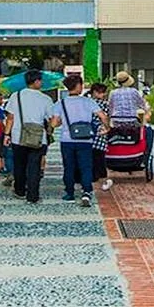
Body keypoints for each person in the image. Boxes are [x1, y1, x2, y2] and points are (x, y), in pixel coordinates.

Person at [51, 73, 107, 207]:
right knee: (86, 167)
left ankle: (69, 193)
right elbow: (103, 117)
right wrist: (107, 128)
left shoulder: (60, 103)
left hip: (67, 140)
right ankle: (86, 192)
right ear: (79, 86)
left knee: (68, 167)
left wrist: (63, 122)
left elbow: (54, 123)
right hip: (85, 140)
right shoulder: (88, 101)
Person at [3, 70, 54, 203]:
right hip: (38, 138)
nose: (41, 83)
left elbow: (10, 118)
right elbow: (52, 120)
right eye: (40, 80)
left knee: (19, 165)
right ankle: (33, 196)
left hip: (17, 137)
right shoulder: (46, 99)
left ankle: (20, 191)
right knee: (34, 166)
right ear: (36, 81)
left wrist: (6, 134)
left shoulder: (16, 96)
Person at [107, 70, 154, 158]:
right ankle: (146, 155)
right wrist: (148, 110)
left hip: (117, 122)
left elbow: (110, 108)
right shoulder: (134, 91)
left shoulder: (112, 93)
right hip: (132, 122)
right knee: (149, 130)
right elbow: (143, 106)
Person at [89, 81, 112, 191]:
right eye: (101, 92)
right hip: (101, 133)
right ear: (94, 92)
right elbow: (107, 118)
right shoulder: (105, 104)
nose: (103, 95)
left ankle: (92, 177)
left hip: (88, 134)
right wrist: (108, 128)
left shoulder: (87, 102)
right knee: (100, 157)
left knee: (91, 157)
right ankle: (101, 178)